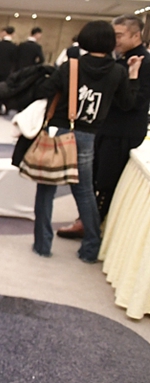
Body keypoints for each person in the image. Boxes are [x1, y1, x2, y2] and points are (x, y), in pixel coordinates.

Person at [31, 20, 142, 263]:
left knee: (47, 188)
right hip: (87, 135)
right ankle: (91, 247)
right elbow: (127, 103)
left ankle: (42, 245)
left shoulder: (71, 66)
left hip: (59, 131)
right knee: (85, 192)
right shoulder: (118, 71)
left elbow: (45, 90)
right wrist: (133, 74)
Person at [58, 15, 150, 239]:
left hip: (122, 131)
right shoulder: (119, 60)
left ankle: (90, 227)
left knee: (105, 181)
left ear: (136, 35)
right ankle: (88, 222)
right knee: (94, 177)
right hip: (106, 129)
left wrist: (112, 91)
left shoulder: (143, 62)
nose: (114, 40)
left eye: (119, 35)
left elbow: (136, 102)